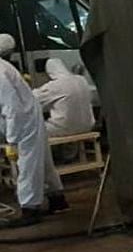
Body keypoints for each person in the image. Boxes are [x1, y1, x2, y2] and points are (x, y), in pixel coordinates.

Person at [0, 34, 68, 227]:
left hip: (23, 120)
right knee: (43, 160)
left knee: (28, 162)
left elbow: (11, 105)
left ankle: (30, 209)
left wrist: (12, 139)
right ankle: (57, 199)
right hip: (26, 116)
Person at [34, 58, 95, 136]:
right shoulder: (81, 80)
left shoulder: (55, 85)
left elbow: (33, 98)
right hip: (87, 126)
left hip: (63, 128)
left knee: (34, 130)